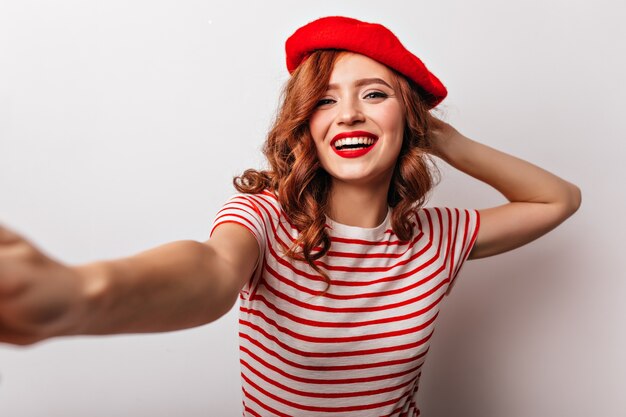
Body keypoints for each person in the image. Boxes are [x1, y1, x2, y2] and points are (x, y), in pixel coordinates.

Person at [0, 16, 580, 416]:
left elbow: (559, 199)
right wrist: (82, 293)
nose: (348, 114)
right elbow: (208, 273)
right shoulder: (263, 216)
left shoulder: (437, 237)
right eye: (325, 99)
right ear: (304, 121)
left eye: (374, 95)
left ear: (409, 117)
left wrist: (444, 138)